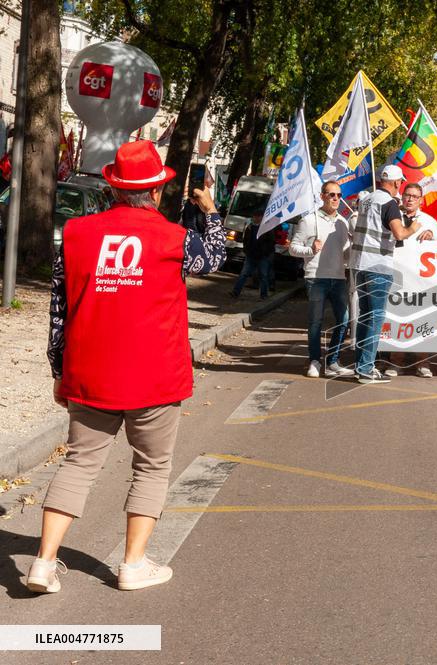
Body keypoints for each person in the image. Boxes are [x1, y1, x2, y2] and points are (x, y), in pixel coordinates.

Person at [32, 140, 225, 594]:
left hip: (91, 371)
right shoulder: (176, 239)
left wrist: (59, 368)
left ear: (115, 188)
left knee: (79, 464)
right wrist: (211, 209)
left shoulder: (77, 234)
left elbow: (60, 308)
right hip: (155, 376)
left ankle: (43, 562)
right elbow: (214, 256)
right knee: (152, 467)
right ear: (156, 191)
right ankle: (133, 564)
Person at [349, 164, 432, 383]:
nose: (400, 188)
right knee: (375, 319)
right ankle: (366, 369)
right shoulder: (389, 204)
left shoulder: (366, 200)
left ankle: (361, 366)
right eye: (400, 184)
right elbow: (399, 233)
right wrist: (414, 227)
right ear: (396, 183)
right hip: (377, 265)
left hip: (359, 265)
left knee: (365, 317)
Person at [288, 180, 353, 379]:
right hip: (316, 277)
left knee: (343, 320)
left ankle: (332, 360)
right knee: (315, 322)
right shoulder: (309, 220)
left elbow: (346, 254)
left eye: (338, 195)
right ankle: (314, 360)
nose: (335, 199)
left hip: (338, 277)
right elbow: (292, 248)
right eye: (331, 194)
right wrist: (310, 249)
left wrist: (354, 248)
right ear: (322, 196)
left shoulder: (343, 222)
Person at [384, 182, 437, 378]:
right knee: (397, 320)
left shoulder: (429, 221)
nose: (410, 199)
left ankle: (422, 363)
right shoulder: (393, 217)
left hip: (420, 281)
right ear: (402, 197)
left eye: (414, 196)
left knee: (422, 321)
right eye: (407, 195)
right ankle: (396, 362)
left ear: (421, 200)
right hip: (396, 278)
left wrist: (432, 236)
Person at [231, 212, 275, 299]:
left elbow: (271, 242)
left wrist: (265, 252)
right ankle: (235, 292)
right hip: (251, 255)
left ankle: (264, 295)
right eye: (254, 216)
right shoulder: (250, 227)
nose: (255, 218)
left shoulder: (267, 228)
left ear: (261, 218)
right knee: (244, 274)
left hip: (262, 256)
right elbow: (246, 240)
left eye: (257, 216)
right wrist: (246, 250)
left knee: (263, 276)